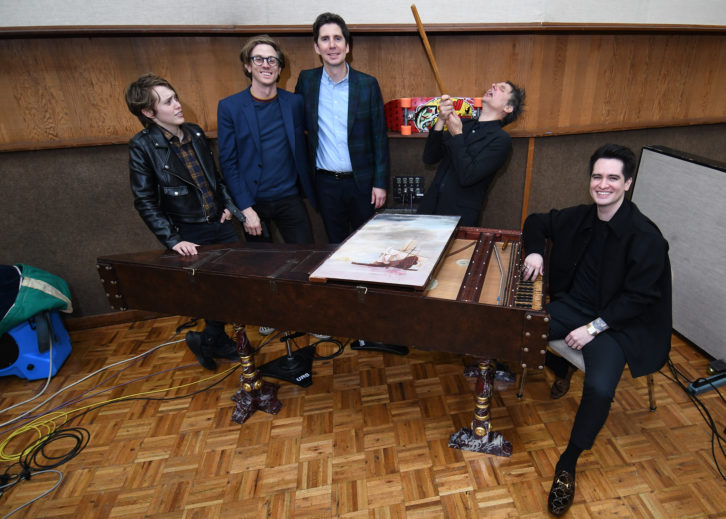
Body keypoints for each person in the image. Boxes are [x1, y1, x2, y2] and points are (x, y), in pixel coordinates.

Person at [521, 144, 672, 516]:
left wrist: (593, 328)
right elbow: (536, 222)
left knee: (602, 388)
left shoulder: (646, 237)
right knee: (517, 326)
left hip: (617, 323)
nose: (602, 184)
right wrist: (535, 251)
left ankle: (568, 463)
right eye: (597, 176)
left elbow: (639, 299)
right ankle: (559, 368)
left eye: (612, 178)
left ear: (628, 183)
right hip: (576, 307)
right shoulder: (582, 216)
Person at [125, 73, 243, 370]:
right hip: (189, 231)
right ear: (149, 113)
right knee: (211, 291)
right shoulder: (142, 146)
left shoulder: (195, 132)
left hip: (220, 223)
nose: (178, 104)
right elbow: (145, 200)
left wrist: (226, 206)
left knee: (234, 286)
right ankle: (213, 340)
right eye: (168, 102)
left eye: (175, 97)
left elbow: (213, 178)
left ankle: (210, 339)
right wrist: (173, 239)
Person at [218, 35, 317, 337]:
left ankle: (312, 316)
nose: (266, 64)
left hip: (289, 196)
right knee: (261, 265)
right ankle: (270, 314)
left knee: (307, 258)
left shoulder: (294, 102)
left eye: (271, 59)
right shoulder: (230, 107)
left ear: (279, 67)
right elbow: (228, 162)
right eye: (259, 59)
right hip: (253, 202)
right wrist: (245, 209)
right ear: (248, 66)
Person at [295, 12, 389, 244]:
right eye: (325, 39)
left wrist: (380, 183)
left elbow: (379, 137)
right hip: (325, 184)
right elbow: (299, 129)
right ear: (316, 47)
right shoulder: (306, 82)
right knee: (335, 246)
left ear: (347, 46)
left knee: (366, 245)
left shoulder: (367, 84)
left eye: (338, 38)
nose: (332, 45)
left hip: (362, 183)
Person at [418, 82, 525, 227]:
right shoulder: (464, 123)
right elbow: (430, 158)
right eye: (495, 84)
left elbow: (467, 176)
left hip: (458, 218)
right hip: (429, 208)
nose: (493, 85)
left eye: (502, 88)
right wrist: (441, 119)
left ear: (508, 108)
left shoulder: (501, 141)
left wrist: (457, 134)